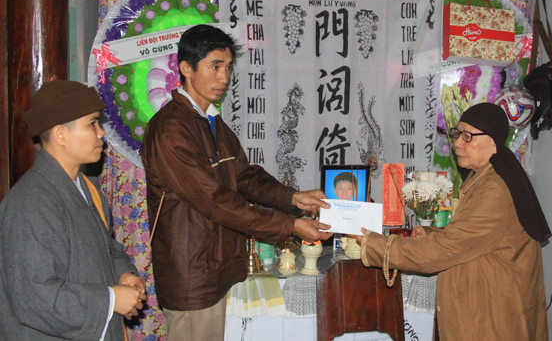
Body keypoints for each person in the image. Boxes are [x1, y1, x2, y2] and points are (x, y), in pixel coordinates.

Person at [141, 24, 332, 340]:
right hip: (192, 273)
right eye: (215, 67)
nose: (224, 78)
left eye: (228, 67)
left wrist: (293, 198)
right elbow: (214, 200)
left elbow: (243, 176)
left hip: (216, 266)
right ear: (186, 68)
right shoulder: (171, 129)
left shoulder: (210, 121)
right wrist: (291, 225)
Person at [358, 103, 551, 341]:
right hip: (483, 305)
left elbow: (445, 250)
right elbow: (472, 236)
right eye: (457, 134)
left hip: (493, 318)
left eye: (468, 136)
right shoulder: (483, 176)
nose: (458, 143)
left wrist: (373, 244)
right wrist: (431, 233)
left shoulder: (495, 189)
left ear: (493, 143)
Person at [0, 80, 146, 341]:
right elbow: (35, 297)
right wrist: (111, 299)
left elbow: (106, 248)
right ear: (60, 134)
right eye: (92, 123)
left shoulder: (87, 188)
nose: (101, 133)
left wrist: (123, 274)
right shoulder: (31, 202)